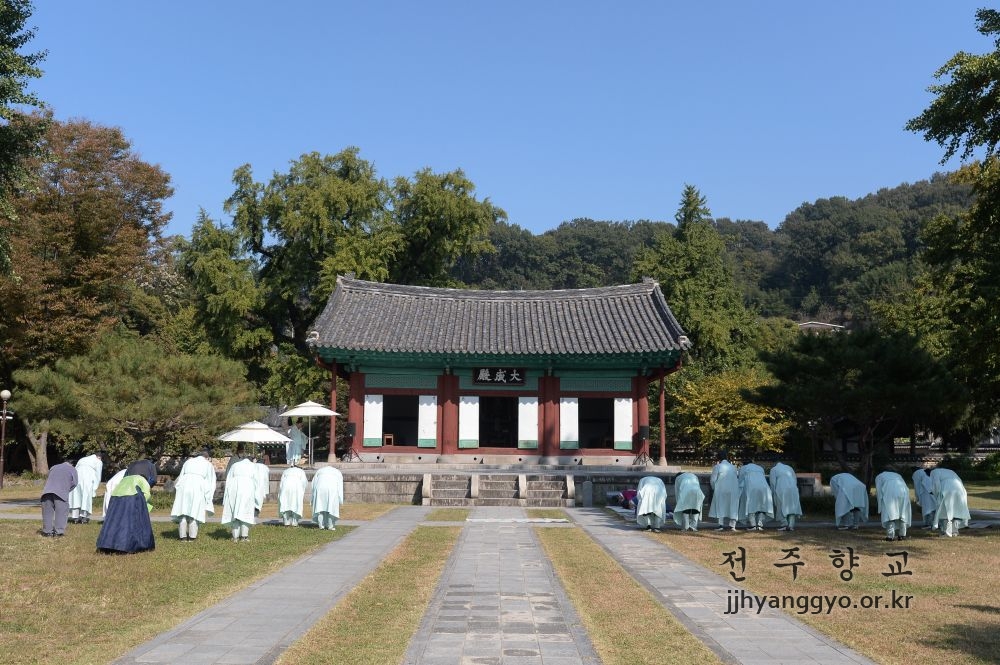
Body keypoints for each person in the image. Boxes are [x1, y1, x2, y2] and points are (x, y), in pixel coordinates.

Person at [96, 460, 158, 554]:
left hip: (119, 491)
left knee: (115, 520)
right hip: (134, 492)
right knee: (133, 520)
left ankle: (108, 544)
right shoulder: (145, 475)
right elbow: (149, 489)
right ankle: (130, 545)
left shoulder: (129, 470)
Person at [170, 449, 217, 541]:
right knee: (195, 511)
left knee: (182, 510)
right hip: (198, 486)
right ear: (207, 457)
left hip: (184, 485)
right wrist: (209, 496)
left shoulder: (188, 462)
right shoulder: (208, 464)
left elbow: (181, 475)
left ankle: (182, 536)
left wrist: (178, 488)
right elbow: (211, 481)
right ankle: (191, 537)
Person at [222, 455, 259, 542]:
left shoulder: (235, 465)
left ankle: (235, 536)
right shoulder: (253, 466)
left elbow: (229, 478)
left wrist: (227, 494)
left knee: (235, 510)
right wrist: (258, 497)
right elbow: (257, 481)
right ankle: (244, 536)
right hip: (247, 488)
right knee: (246, 511)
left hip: (234, 488)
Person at [39, 460, 78, 537]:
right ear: (72, 464)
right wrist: (67, 490)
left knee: (47, 512)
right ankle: (58, 532)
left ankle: (47, 532)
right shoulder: (72, 469)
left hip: (47, 491)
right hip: (61, 492)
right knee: (61, 512)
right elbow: (75, 483)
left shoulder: (54, 467)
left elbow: (49, 478)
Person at [930, 466, 971, 537]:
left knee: (944, 511)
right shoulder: (951, 471)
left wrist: (936, 494)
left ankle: (946, 532)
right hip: (959, 488)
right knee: (958, 511)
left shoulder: (934, 472)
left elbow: (936, 484)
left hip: (947, 488)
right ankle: (955, 531)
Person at [874, 470, 912, 541]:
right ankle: (902, 535)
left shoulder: (879, 477)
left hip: (889, 493)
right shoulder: (897, 475)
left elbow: (879, 491)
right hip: (903, 492)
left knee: (890, 514)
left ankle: (890, 536)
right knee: (902, 514)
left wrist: (879, 504)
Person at [738, 460, 774, 531]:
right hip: (764, 487)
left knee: (751, 506)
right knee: (762, 506)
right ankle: (760, 525)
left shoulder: (744, 468)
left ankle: (753, 525)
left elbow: (740, 479)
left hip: (751, 487)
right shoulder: (760, 468)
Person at [68, 451, 103, 524]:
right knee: (86, 498)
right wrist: (94, 488)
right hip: (88, 480)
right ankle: (84, 517)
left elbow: (75, 470)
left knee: (76, 498)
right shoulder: (98, 462)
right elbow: (98, 475)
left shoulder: (82, 459)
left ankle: (75, 517)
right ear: (99, 457)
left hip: (77, 479)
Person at [709, 451, 740, 531]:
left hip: (721, 489)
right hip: (733, 489)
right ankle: (732, 525)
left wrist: (714, 488)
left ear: (718, 458)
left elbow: (713, 480)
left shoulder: (717, 467)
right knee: (733, 506)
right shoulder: (733, 467)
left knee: (720, 506)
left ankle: (720, 525)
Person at [769, 461, 803, 531]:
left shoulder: (774, 469)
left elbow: (772, 482)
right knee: (791, 507)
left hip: (781, 488)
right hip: (793, 488)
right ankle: (791, 525)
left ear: (775, 464)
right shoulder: (789, 468)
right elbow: (794, 479)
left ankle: (784, 524)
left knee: (781, 506)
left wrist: (773, 492)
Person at [311, 465, 344, 530]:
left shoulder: (319, 471)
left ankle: (321, 525)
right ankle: (330, 526)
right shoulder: (337, 472)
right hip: (332, 488)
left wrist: (313, 495)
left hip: (320, 488)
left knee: (319, 507)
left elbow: (313, 483)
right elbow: (340, 485)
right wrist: (340, 498)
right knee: (331, 507)